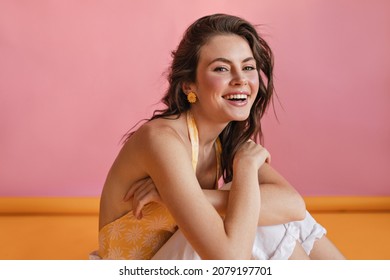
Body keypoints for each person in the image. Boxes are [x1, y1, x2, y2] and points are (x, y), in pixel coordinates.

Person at [95, 13, 345, 260]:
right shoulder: (162, 139)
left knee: (254, 208)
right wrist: (246, 169)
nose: (240, 80)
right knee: (253, 216)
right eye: (222, 68)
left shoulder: (225, 138)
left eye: (248, 67)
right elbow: (229, 260)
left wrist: (201, 198)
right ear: (189, 85)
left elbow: (294, 207)